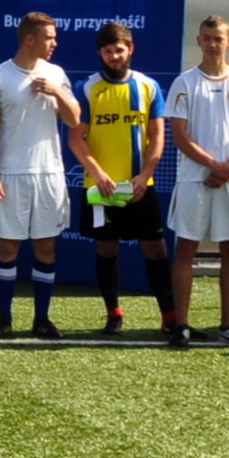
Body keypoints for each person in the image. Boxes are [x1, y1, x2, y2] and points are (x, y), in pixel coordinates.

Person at [0, 11, 81, 339]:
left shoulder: (56, 74)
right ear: (29, 39)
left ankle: (42, 320)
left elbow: (74, 119)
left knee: (46, 248)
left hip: (49, 175)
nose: (54, 43)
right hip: (11, 175)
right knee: (7, 249)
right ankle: (4, 319)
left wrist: (56, 91)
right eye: (49, 38)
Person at [165, 15, 229, 347]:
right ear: (198, 41)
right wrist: (212, 165)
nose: (212, 44)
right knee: (186, 250)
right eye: (207, 38)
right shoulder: (184, 83)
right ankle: (182, 325)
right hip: (194, 180)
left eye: (218, 38)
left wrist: (227, 168)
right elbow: (180, 136)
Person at [71, 21, 174, 334]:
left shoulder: (148, 86)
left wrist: (146, 174)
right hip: (101, 188)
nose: (114, 56)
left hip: (141, 186)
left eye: (119, 50)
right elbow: (76, 139)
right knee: (107, 248)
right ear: (99, 53)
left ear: (131, 49)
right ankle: (113, 312)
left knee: (156, 249)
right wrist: (99, 174)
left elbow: (158, 137)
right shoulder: (86, 88)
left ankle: (169, 317)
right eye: (108, 51)